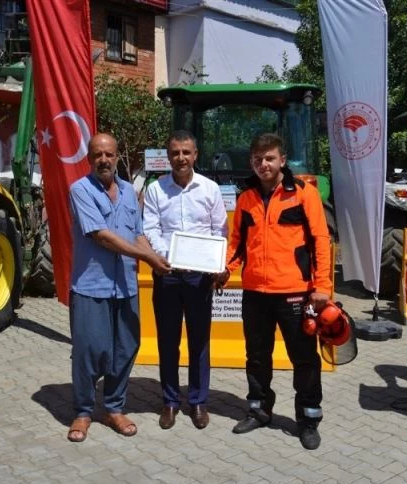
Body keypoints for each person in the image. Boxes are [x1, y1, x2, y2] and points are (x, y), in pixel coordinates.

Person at [218, 133, 332, 450]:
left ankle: (308, 419)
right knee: (256, 357)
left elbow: (321, 241)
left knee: (304, 359)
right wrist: (224, 269)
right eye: (258, 159)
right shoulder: (246, 199)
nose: (264, 164)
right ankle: (259, 409)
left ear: (282, 160)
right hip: (255, 293)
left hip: (295, 292)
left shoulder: (304, 195)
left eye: (269, 158)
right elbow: (237, 244)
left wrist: (322, 286)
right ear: (251, 162)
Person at [67, 133, 171, 442]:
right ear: (89, 159)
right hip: (91, 286)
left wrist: (156, 258)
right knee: (89, 351)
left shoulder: (129, 192)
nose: (104, 160)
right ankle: (83, 411)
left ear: (116, 157)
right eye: (98, 155)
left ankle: (114, 407)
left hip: (125, 285)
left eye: (109, 154)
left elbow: (137, 233)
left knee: (126, 348)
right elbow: (101, 236)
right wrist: (147, 257)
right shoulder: (80, 190)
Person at [143, 130, 228, 430]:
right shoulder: (156, 190)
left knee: (199, 341)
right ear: (168, 156)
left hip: (199, 278)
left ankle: (198, 401)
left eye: (186, 152)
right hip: (167, 274)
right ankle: (169, 401)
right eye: (175, 152)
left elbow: (219, 230)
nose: (181, 158)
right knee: (167, 341)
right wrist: (168, 256)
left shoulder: (210, 189)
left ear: (195, 155)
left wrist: (215, 263)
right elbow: (150, 228)